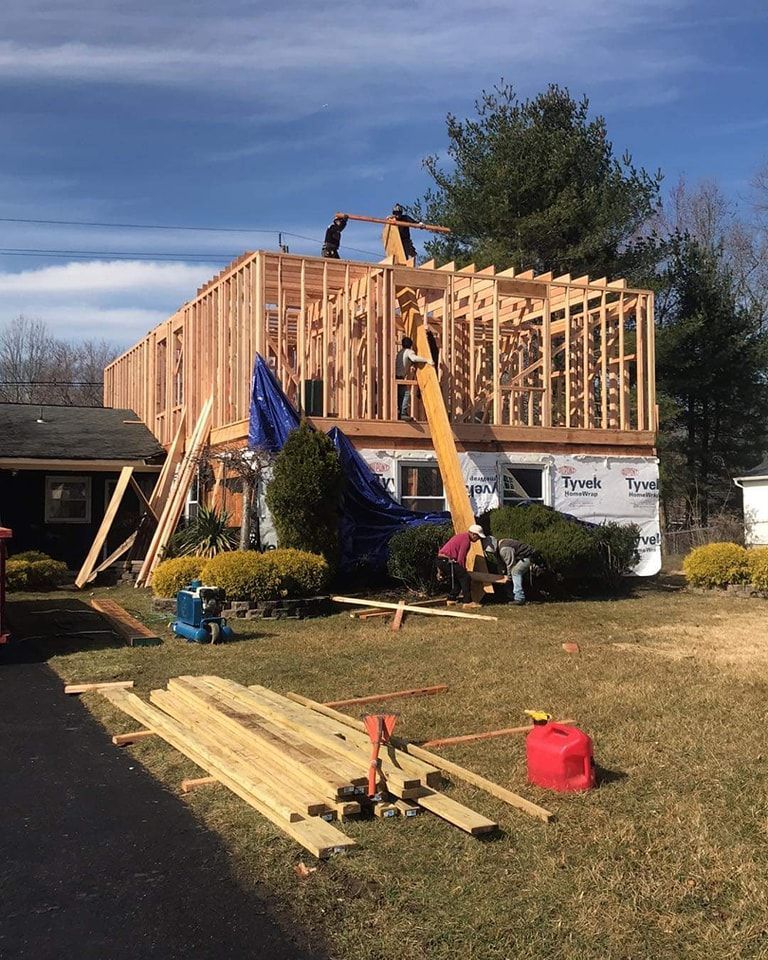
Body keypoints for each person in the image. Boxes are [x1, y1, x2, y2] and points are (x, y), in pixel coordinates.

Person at [436, 524, 485, 607]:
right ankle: (467, 602)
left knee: (458, 579)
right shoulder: (466, 540)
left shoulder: (461, 536)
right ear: (473, 534)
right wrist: (463, 570)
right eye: (478, 537)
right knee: (465, 577)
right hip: (447, 560)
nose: (478, 539)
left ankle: (451, 599)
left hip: (442, 560)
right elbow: (461, 558)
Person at [485, 536, 536, 605]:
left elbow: (511, 565)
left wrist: (508, 578)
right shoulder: (499, 548)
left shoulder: (504, 549)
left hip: (529, 557)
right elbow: (501, 565)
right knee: (512, 574)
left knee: (515, 572)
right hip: (523, 558)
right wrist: (501, 575)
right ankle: (511, 596)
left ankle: (519, 598)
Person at [395, 335, 432, 420]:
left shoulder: (400, 352)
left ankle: (400, 413)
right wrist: (427, 360)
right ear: (411, 344)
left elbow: (406, 362)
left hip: (396, 376)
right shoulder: (409, 351)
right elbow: (414, 358)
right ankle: (403, 414)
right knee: (406, 394)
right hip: (400, 377)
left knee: (400, 395)